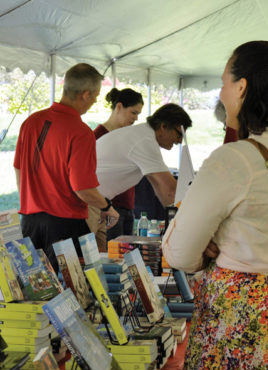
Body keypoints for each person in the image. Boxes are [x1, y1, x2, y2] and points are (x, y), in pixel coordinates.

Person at [162, 41, 268, 370]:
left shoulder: (235, 159)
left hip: (243, 319)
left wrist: (212, 249)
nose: (221, 92)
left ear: (241, 87)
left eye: (224, 82)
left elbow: (180, 254)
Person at [14, 63, 119, 271]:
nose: (94, 102)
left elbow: (19, 168)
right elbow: (83, 188)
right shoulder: (80, 132)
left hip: (29, 222)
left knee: (34, 293)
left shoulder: (31, 122)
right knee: (72, 295)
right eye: (96, 97)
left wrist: (30, 198)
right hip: (64, 227)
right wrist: (107, 207)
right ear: (85, 95)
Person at [93, 102, 191, 251]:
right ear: (163, 126)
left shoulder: (143, 136)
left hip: (97, 201)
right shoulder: (144, 140)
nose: (179, 141)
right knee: (84, 263)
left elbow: (160, 188)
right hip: (86, 200)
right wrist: (186, 226)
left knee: (97, 262)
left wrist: (174, 220)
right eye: (179, 134)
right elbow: (170, 190)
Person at [91, 88, 143, 247]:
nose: (135, 118)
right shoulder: (98, 136)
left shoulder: (128, 137)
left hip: (127, 207)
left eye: (138, 114)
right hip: (108, 208)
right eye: (133, 113)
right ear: (119, 107)